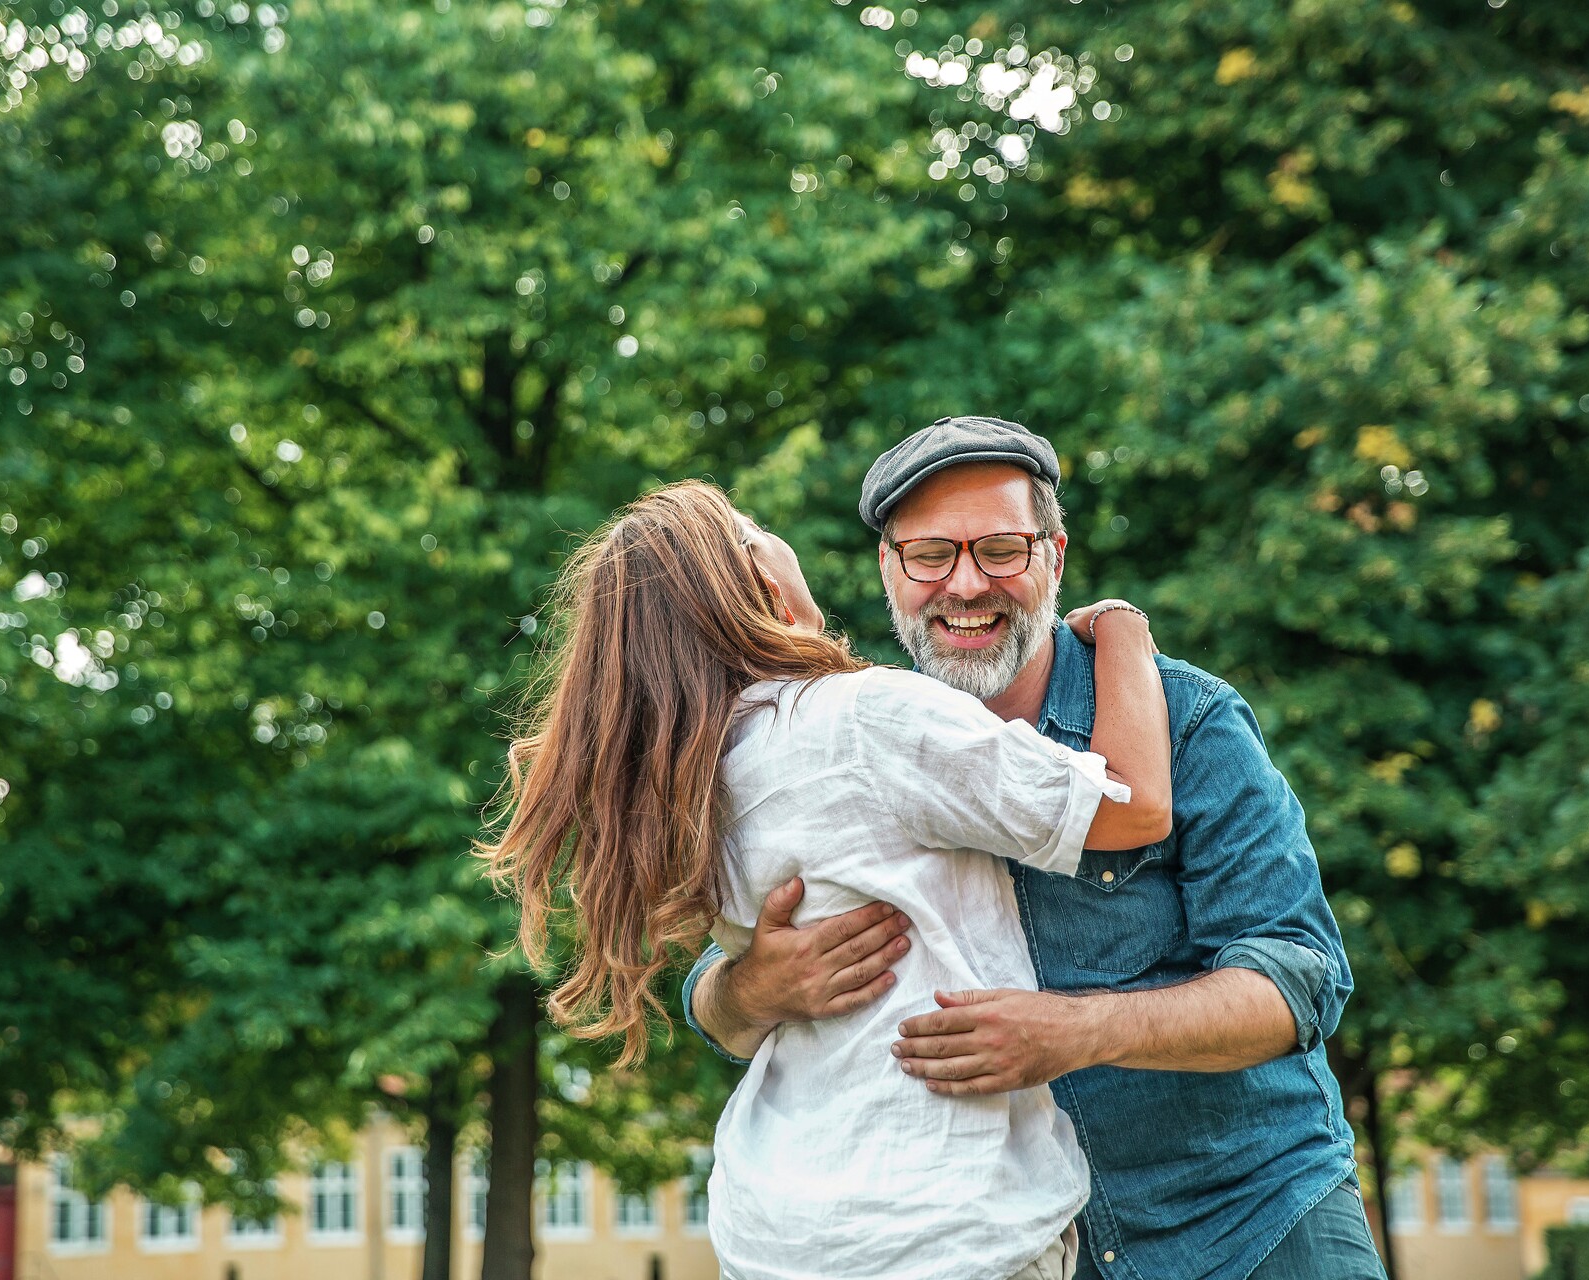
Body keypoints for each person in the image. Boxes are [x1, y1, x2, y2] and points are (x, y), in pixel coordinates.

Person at [683, 417, 1388, 1280]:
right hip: (1036, 1246)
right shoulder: (848, 736)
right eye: (931, 555)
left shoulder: (1186, 718)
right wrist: (747, 987)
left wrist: (1080, 1031)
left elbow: (1297, 978)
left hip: (1249, 1221)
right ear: (889, 572)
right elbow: (721, 991)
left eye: (1002, 550)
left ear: (1054, 557)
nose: (966, 585)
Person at [482, 479, 1175, 1280]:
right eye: (760, 526)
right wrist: (1123, 629)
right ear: (762, 578)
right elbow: (1134, 806)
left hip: (778, 1229)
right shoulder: (863, 718)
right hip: (945, 1222)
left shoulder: (685, 781)